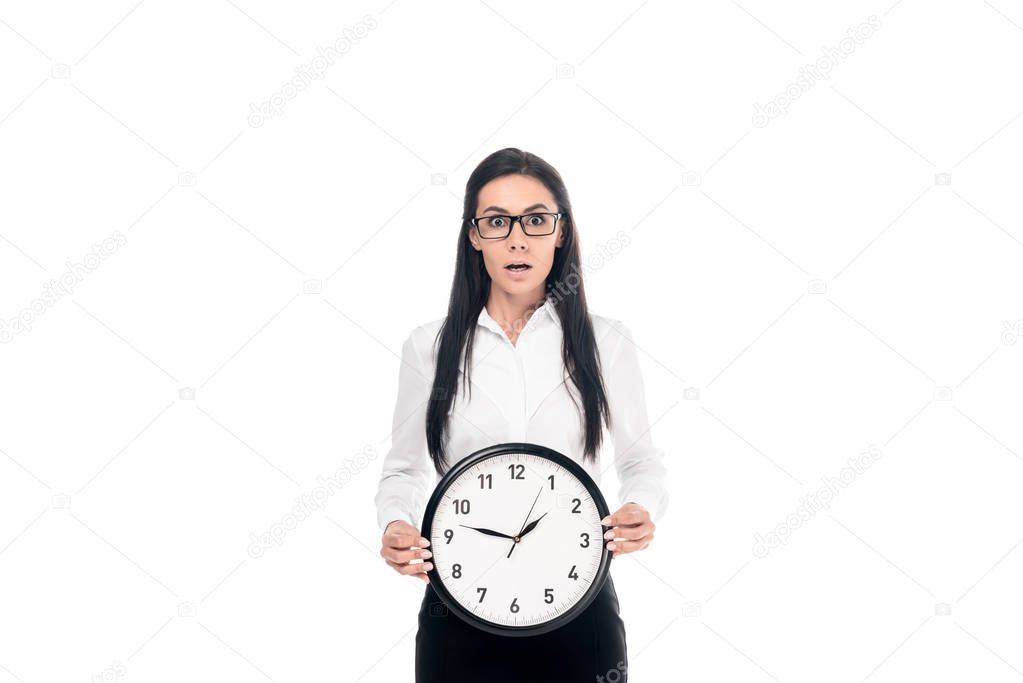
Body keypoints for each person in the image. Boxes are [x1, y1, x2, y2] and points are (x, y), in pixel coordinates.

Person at [374, 147, 669, 682]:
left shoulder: (606, 342)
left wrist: (641, 509)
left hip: (580, 605)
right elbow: (403, 470)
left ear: (560, 232)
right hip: (458, 609)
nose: (517, 238)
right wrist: (395, 523)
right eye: (497, 221)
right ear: (473, 235)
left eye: (535, 220)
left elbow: (641, 461)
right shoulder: (429, 347)